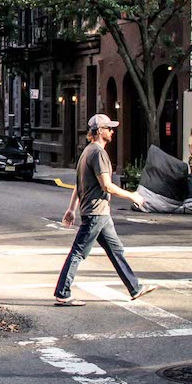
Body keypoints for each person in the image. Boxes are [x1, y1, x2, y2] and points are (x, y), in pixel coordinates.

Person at [53, 114, 158, 306]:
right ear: (100, 131)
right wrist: (132, 195)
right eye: (109, 128)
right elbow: (107, 186)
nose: (112, 131)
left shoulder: (87, 152)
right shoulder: (98, 153)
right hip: (96, 211)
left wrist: (71, 209)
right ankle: (63, 292)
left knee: (116, 250)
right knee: (78, 252)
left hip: (100, 212)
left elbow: (79, 184)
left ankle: (134, 288)